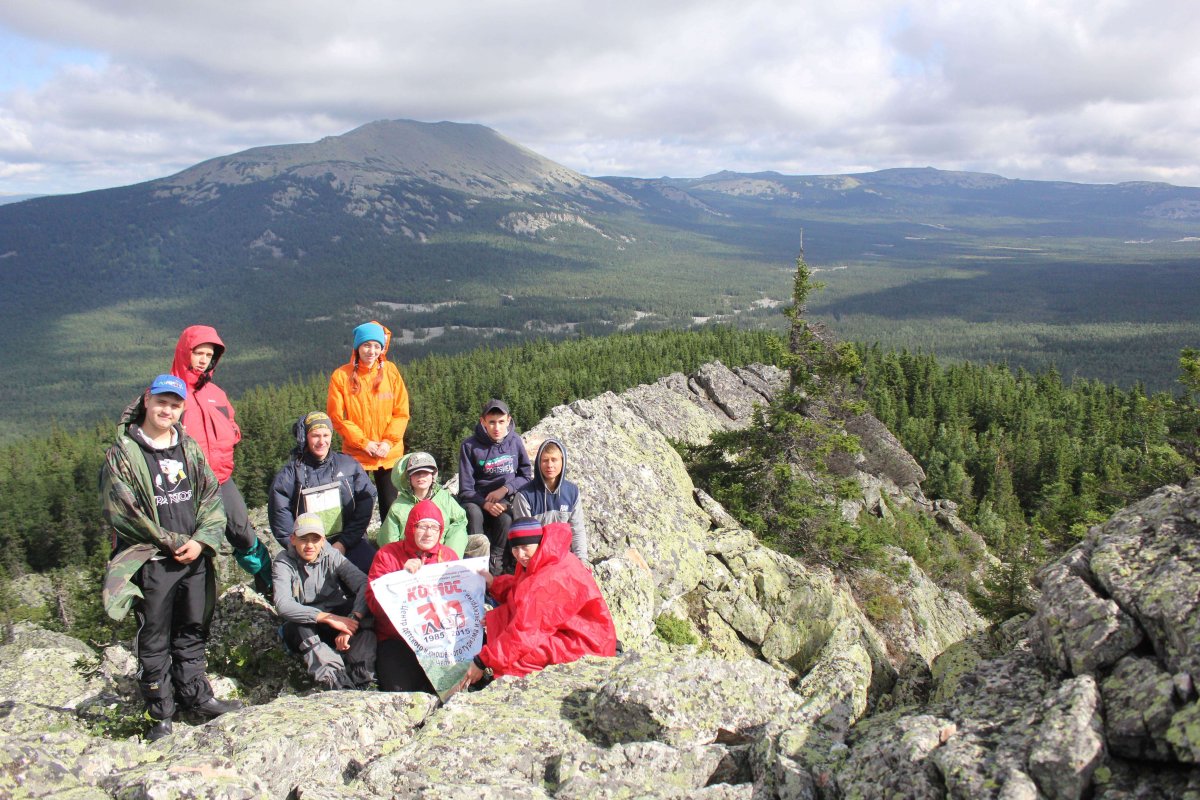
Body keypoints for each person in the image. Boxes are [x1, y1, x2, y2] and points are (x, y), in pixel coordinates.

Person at [99, 374, 243, 741]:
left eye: (175, 404)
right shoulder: (124, 453)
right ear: (147, 401)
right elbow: (123, 511)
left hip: (193, 558)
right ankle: (161, 712)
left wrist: (201, 541)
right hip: (152, 562)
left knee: (192, 628)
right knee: (155, 636)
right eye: (162, 402)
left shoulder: (188, 448)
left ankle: (196, 696)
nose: (168, 410)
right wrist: (172, 541)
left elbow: (211, 497)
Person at [170, 325, 273, 595]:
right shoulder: (169, 392)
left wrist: (230, 436)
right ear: (185, 353)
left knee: (242, 531)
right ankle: (196, 599)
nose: (204, 359)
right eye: (198, 353)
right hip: (185, 486)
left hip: (221, 478)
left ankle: (268, 580)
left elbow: (231, 425)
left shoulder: (215, 393)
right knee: (193, 544)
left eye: (209, 354)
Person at [454, 518, 616, 690]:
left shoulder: (552, 576)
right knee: (502, 621)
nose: (520, 554)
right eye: (515, 548)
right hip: (570, 631)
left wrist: (482, 661)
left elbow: (525, 633)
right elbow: (521, 591)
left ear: (538, 543)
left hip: (586, 642)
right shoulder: (543, 557)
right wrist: (494, 583)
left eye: (525, 547)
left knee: (521, 657)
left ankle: (503, 690)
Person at [271, 512, 375, 690]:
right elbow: (283, 604)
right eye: (304, 539)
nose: (310, 545)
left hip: (335, 619)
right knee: (299, 626)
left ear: (322, 540)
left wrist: (352, 621)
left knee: (368, 615)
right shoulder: (283, 562)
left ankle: (362, 674)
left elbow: (363, 584)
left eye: (315, 539)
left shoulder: (331, 554)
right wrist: (327, 618)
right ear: (293, 539)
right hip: (306, 623)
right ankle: (337, 682)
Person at [269, 411, 378, 574]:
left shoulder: (348, 465)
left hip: (350, 543)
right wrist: (303, 547)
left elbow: (365, 501)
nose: (322, 441)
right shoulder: (290, 474)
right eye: (315, 436)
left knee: (374, 573)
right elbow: (280, 514)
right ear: (305, 437)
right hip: (308, 550)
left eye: (326, 435)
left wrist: (343, 543)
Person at [366, 499, 458, 693]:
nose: (428, 533)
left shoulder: (448, 557)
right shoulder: (387, 555)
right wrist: (400, 579)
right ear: (410, 527)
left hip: (437, 639)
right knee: (400, 692)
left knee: (450, 688)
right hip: (396, 639)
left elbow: (461, 600)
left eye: (434, 527)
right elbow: (373, 604)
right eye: (422, 526)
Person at [326, 320, 410, 521]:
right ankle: (358, 549)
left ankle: (387, 549)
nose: (371, 351)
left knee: (390, 508)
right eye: (366, 345)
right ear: (357, 347)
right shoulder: (341, 376)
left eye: (376, 346)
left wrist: (388, 442)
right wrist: (365, 443)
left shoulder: (390, 371)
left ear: (382, 348)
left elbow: (401, 412)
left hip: (388, 453)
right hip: (357, 455)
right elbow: (337, 417)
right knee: (357, 507)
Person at [457, 399, 533, 575]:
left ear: (508, 420)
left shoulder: (515, 441)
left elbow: (525, 475)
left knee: (505, 519)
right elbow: (465, 489)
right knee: (474, 515)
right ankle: (475, 561)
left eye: (501, 422)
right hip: (476, 499)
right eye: (491, 422)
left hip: (503, 498)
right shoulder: (469, 446)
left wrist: (505, 489)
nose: (496, 427)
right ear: (483, 421)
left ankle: (496, 562)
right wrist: (485, 504)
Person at [376, 451, 487, 558]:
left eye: (426, 472)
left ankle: (467, 575)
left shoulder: (445, 498)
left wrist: (449, 555)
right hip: (413, 557)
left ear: (433, 475)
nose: (421, 477)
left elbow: (459, 523)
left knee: (480, 542)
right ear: (408, 477)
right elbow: (389, 541)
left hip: (444, 551)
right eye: (416, 473)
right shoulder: (398, 506)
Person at [512, 437, 587, 562]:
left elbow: (577, 530)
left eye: (554, 460)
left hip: (564, 557)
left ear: (562, 461)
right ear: (538, 463)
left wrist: (582, 560)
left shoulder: (572, 492)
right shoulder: (524, 495)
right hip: (536, 560)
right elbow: (525, 539)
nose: (550, 465)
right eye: (545, 460)